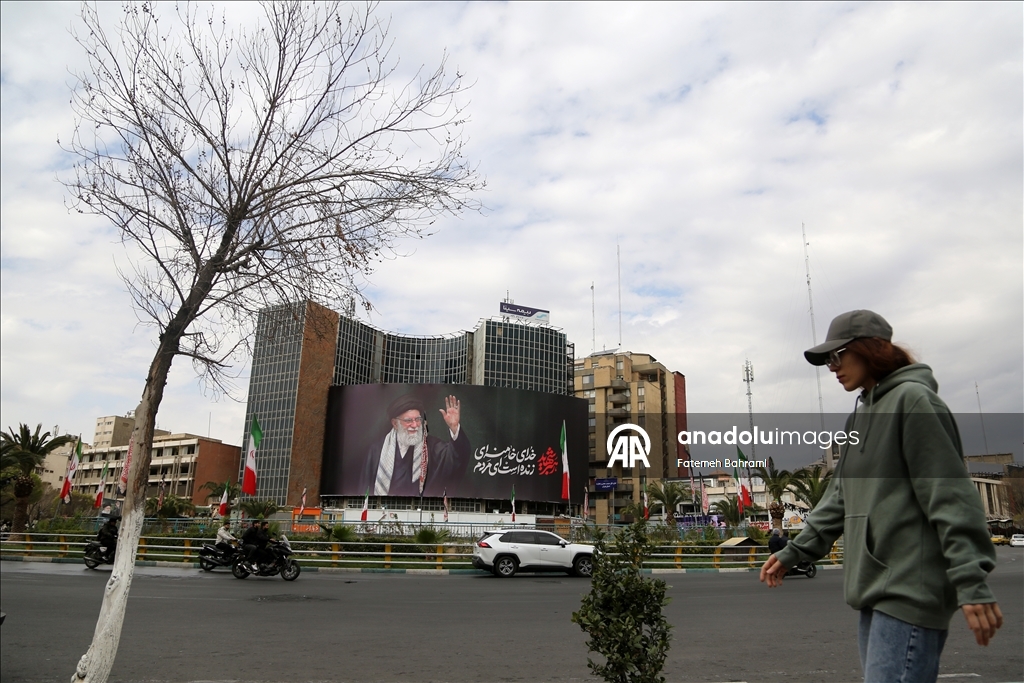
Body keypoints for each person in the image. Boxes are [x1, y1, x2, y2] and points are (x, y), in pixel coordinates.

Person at [759, 309, 1002, 683]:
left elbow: (949, 496)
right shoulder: (858, 419)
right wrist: (795, 551)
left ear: (871, 350)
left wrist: (971, 581)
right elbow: (839, 498)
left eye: (837, 356)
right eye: (827, 361)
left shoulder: (914, 403)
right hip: (874, 588)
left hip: (911, 588)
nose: (831, 367)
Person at [359, 394, 471, 498]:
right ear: (395, 423)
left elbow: (457, 456)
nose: (415, 425)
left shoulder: (431, 446)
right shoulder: (377, 451)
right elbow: (365, 488)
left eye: (418, 419)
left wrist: (454, 427)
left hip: (420, 511)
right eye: (408, 420)